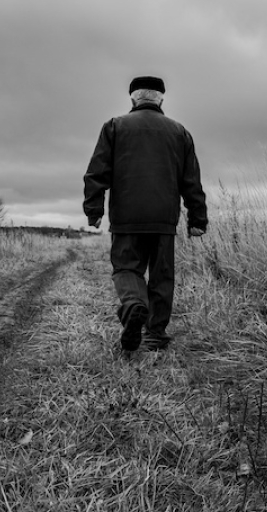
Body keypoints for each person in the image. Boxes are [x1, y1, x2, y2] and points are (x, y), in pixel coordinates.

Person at [83, 76, 208, 352]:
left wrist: (94, 210)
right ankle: (154, 335)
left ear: (133, 99)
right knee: (162, 276)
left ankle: (134, 306)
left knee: (127, 268)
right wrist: (197, 219)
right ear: (161, 99)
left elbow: (96, 173)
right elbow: (191, 182)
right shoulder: (180, 132)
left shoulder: (114, 127)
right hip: (164, 218)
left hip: (126, 217)